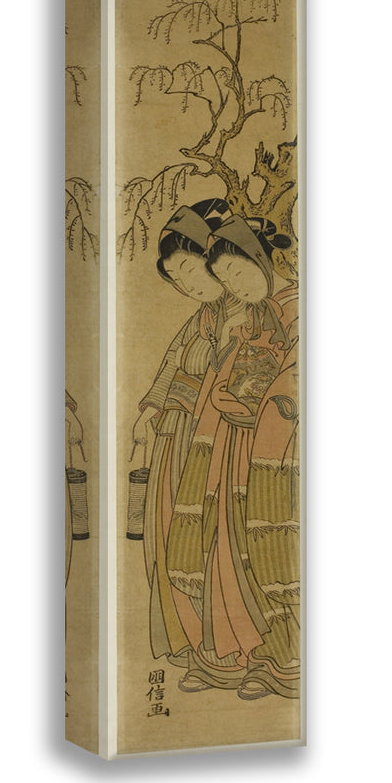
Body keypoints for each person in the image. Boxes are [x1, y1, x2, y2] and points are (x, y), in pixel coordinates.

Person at [165, 214, 300, 698]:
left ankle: (283, 658)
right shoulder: (247, 318)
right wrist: (222, 395)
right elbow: (217, 375)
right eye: (226, 279)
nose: (236, 286)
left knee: (269, 548)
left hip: (277, 450)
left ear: (262, 261)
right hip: (229, 442)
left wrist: (266, 406)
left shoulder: (297, 307)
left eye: (241, 273)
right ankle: (227, 652)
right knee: (222, 540)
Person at [132, 198, 232, 668]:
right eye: (177, 278)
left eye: (190, 269)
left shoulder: (243, 313)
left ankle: (220, 642)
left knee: (210, 536)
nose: (187, 285)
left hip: (217, 438)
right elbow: (172, 363)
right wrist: (150, 409)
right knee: (169, 531)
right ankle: (186, 639)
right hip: (177, 434)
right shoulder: (200, 319)